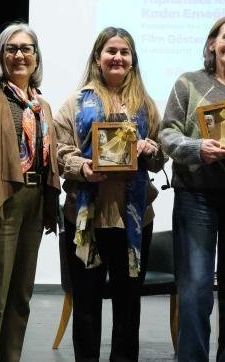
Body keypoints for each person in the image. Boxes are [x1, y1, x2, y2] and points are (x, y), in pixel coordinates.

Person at [54, 27, 166, 362]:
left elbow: (161, 156)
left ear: (132, 61)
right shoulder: (74, 103)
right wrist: (83, 167)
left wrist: (150, 148)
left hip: (133, 219)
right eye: (111, 51)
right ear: (97, 57)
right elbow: (60, 154)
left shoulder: (146, 105)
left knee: (128, 306)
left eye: (125, 52)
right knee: (86, 306)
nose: (118, 57)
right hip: (86, 217)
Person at [160, 15, 225, 361]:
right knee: (195, 289)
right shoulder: (187, 83)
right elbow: (167, 134)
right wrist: (197, 149)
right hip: (196, 195)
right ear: (212, 43)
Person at [0, 23, 61, 362]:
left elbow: (48, 158)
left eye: (27, 48)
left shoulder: (42, 105)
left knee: (20, 297)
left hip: (35, 202)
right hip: (0, 199)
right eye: (12, 48)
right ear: (1, 56)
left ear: (36, 57)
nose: (20, 55)